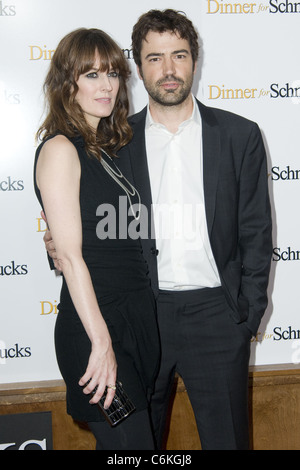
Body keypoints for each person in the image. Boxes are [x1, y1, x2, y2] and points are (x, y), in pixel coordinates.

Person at [44, 9, 273, 450]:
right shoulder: (113, 142)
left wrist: (244, 317)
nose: (168, 70)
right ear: (138, 66)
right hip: (139, 316)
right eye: (154, 58)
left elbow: (257, 233)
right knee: (134, 444)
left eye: (179, 55)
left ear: (194, 60)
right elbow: (85, 221)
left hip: (217, 317)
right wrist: (54, 244)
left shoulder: (239, 136)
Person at [34, 27, 160, 450]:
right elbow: (70, 257)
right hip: (96, 330)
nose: (106, 85)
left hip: (134, 321)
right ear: (66, 84)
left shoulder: (106, 148)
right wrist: (102, 343)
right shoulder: (59, 149)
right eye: (91, 75)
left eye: (112, 73)